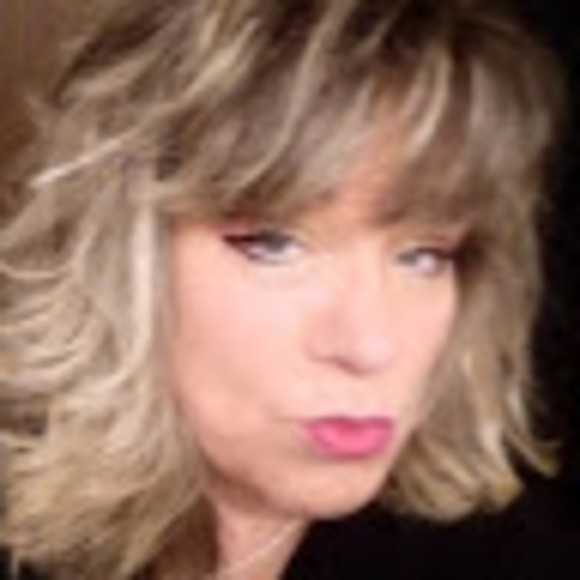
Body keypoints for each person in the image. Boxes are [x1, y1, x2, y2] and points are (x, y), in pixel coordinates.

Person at [0, 0, 570, 578]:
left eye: (424, 256)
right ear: (118, 253)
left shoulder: (498, 555)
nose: (371, 346)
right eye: (274, 245)